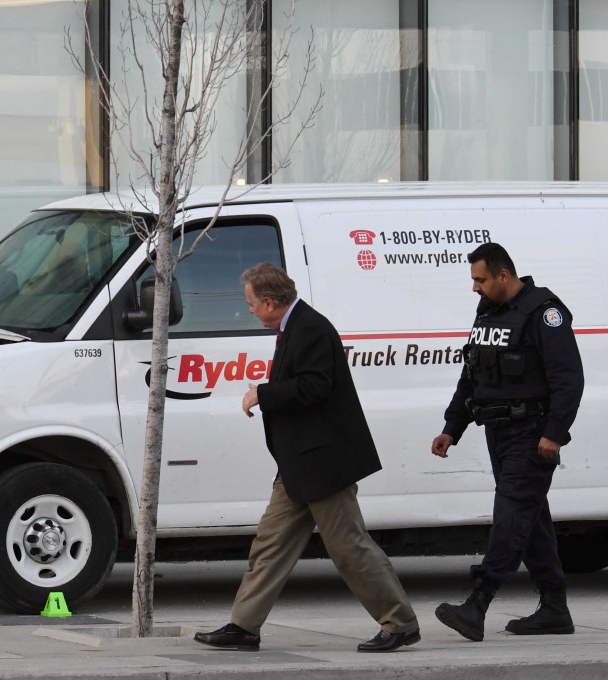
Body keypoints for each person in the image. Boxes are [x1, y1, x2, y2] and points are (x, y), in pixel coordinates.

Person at [194, 263, 420, 653]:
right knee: (270, 545)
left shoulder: (311, 327)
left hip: (323, 463)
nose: (248, 310)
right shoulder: (295, 326)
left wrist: (262, 394)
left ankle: (400, 623)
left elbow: (315, 386)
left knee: (349, 546)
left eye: (250, 303)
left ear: (268, 302)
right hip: (299, 463)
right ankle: (244, 627)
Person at [431, 242, 583, 641]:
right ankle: (554, 609)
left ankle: (478, 603)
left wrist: (555, 432)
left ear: (503, 275)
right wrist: (453, 427)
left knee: (512, 515)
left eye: (480, 279)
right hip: (496, 432)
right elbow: (473, 374)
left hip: (531, 434)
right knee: (530, 521)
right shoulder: (489, 311)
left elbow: (569, 379)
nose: (474, 288)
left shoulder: (543, 312)